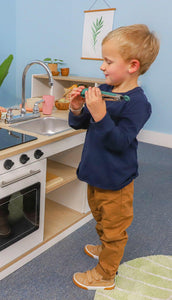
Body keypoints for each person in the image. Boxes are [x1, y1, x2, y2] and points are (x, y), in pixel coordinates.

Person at [68, 24, 160, 290]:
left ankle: (106, 274)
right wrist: (77, 108)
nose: (102, 67)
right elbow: (80, 124)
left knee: (114, 229)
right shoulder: (106, 89)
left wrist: (99, 113)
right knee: (100, 216)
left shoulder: (138, 104)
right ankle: (104, 247)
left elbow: (120, 142)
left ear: (132, 65)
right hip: (95, 173)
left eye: (108, 61)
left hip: (117, 181)